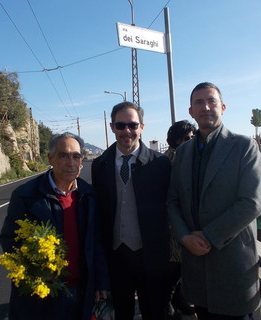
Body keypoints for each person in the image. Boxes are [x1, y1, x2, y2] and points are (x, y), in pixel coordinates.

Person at [167, 82, 261, 320]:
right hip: (196, 268)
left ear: (222, 107)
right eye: (199, 102)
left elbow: (251, 202)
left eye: (211, 101)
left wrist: (208, 236)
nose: (206, 107)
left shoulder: (244, 147)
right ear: (191, 111)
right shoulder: (183, 153)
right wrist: (185, 237)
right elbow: (173, 201)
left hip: (233, 266)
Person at [0, 132, 109, 320]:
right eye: (63, 155)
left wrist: (100, 282)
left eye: (76, 156)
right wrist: (38, 269)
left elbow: (97, 242)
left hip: (81, 290)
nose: (70, 162)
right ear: (50, 158)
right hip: (41, 295)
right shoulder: (26, 195)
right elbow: (9, 240)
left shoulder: (89, 195)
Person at [91, 101, 171, 320]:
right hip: (116, 258)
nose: (127, 130)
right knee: (121, 314)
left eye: (133, 125)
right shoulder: (100, 165)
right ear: (112, 127)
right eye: (121, 125)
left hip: (153, 258)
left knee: (156, 313)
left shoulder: (161, 164)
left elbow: (172, 208)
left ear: (142, 127)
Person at [165, 120, 196, 319]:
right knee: (173, 274)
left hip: (181, 228)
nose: (190, 141)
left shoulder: (183, 157)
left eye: (193, 138)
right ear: (176, 140)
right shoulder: (172, 160)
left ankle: (179, 303)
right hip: (173, 229)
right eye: (186, 138)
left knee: (180, 272)